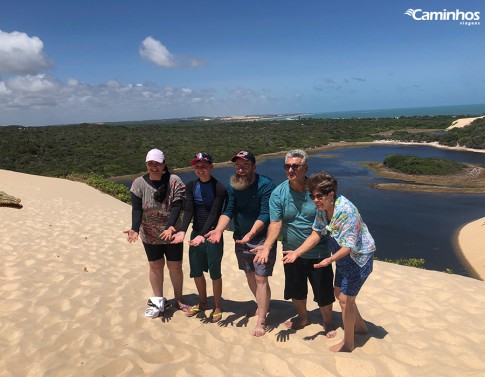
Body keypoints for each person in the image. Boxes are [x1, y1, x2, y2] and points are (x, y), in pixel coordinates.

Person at [253, 150, 336, 337]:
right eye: (287, 166)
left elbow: (321, 226)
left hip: (318, 250)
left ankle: (328, 322)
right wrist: (267, 246)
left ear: (305, 168)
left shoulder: (316, 191)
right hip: (290, 251)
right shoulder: (279, 193)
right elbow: (275, 223)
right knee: (296, 289)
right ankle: (303, 317)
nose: (290, 170)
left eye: (295, 166)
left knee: (323, 291)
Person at [292, 171, 375, 352]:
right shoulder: (323, 210)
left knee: (345, 299)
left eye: (319, 196)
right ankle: (360, 327)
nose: (315, 200)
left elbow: (348, 247)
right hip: (342, 257)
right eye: (312, 196)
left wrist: (329, 260)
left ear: (331, 194)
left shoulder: (346, 212)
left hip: (358, 258)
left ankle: (348, 343)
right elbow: (316, 234)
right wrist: (297, 253)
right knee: (339, 293)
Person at [206, 150, 276, 337]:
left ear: (254, 166)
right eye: (237, 166)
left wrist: (251, 233)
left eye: (245, 165)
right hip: (240, 236)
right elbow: (228, 210)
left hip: (261, 237)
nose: (241, 169)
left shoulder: (265, 185)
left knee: (261, 278)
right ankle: (262, 305)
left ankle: (261, 319)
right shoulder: (233, 185)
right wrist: (219, 230)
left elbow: (265, 213)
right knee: (250, 275)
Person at [126, 148, 188, 318]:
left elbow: (177, 205)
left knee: (175, 266)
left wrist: (170, 227)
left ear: (164, 164)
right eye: (150, 163)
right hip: (150, 233)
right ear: (146, 164)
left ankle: (180, 299)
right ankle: (157, 302)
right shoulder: (138, 184)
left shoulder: (174, 181)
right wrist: (134, 228)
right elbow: (137, 209)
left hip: (172, 232)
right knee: (155, 266)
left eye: (157, 163)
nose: (154, 167)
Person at [171, 152, 227, 322]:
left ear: (211, 167)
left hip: (212, 235)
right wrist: (182, 230)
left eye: (204, 166)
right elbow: (189, 211)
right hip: (196, 234)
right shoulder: (191, 186)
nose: (200, 169)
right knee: (196, 271)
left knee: (215, 273)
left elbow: (214, 213)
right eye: (197, 166)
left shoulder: (219, 188)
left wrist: (203, 235)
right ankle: (203, 302)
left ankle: (217, 305)